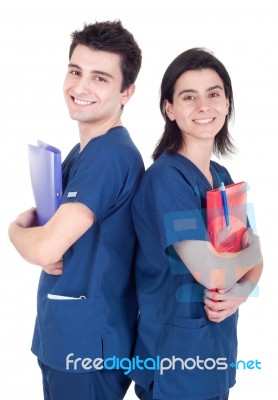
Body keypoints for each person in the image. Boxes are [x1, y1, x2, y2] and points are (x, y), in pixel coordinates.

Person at [8, 20, 143, 400]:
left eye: (100, 78)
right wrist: (41, 237)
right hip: (67, 337)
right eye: (75, 71)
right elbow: (53, 233)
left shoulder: (110, 155)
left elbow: (46, 247)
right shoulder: (83, 152)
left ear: (126, 91)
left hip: (86, 349)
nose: (80, 87)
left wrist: (15, 230)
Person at [130, 48, 263, 399]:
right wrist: (254, 250)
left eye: (214, 94)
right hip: (174, 361)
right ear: (169, 109)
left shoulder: (221, 176)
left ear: (227, 103)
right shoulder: (166, 180)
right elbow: (212, 271)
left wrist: (240, 293)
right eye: (189, 97)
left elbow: (251, 267)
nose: (204, 106)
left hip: (214, 353)